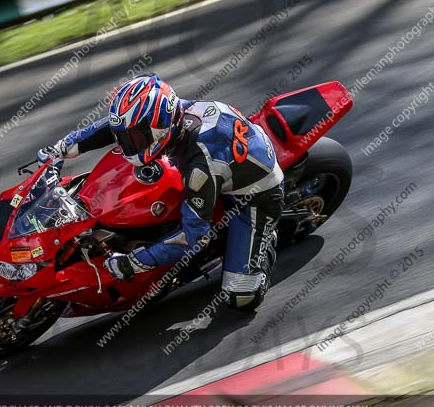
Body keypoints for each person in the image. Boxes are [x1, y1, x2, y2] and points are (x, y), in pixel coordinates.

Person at [37, 74, 283, 310]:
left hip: (254, 195)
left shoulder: (200, 167)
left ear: (159, 129)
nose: (126, 143)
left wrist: (133, 262)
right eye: (125, 136)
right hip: (224, 160)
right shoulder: (169, 112)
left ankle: (265, 237)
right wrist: (62, 148)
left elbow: (193, 238)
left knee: (240, 297)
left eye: (133, 137)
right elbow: (115, 126)